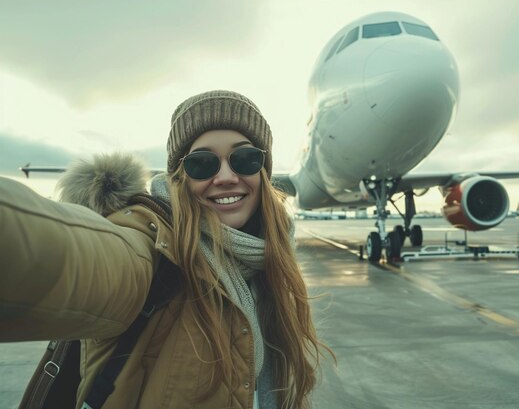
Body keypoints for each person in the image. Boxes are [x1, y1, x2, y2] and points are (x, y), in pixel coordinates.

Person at [0, 90, 333, 409]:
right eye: (203, 164)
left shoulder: (270, 265)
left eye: (245, 158)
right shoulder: (150, 249)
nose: (227, 177)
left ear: (262, 170)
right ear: (179, 176)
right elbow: (69, 255)